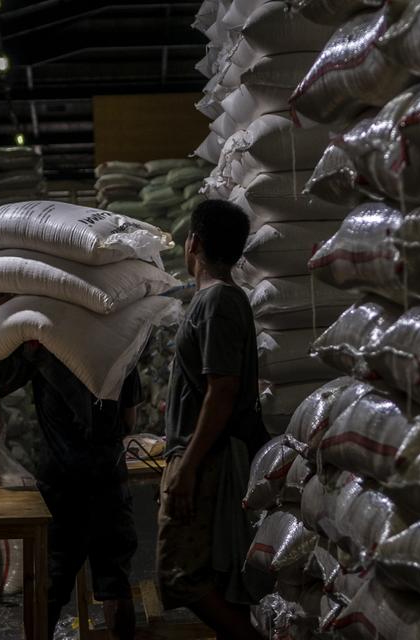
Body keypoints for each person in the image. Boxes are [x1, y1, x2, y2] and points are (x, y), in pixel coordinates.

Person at [0, 299, 140, 640]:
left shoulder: (45, 341)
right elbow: (129, 420)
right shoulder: (119, 341)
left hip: (62, 482)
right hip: (109, 479)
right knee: (115, 585)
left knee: (49, 588)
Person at [157, 199, 269, 638]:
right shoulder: (214, 300)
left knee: (179, 576)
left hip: (206, 459)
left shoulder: (218, 301)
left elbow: (221, 393)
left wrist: (187, 468)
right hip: (203, 455)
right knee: (216, 576)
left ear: (194, 242)